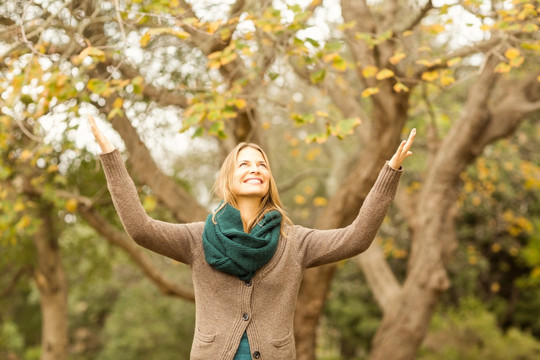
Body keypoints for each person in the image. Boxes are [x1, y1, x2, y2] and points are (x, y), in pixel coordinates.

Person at [88, 115, 415, 360]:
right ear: (228, 178)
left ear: (269, 178)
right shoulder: (197, 238)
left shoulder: (295, 242)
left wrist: (390, 172)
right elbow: (140, 228)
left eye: (262, 164)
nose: (255, 168)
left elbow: (356, 238)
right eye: (244, 164)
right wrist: (112, 158)